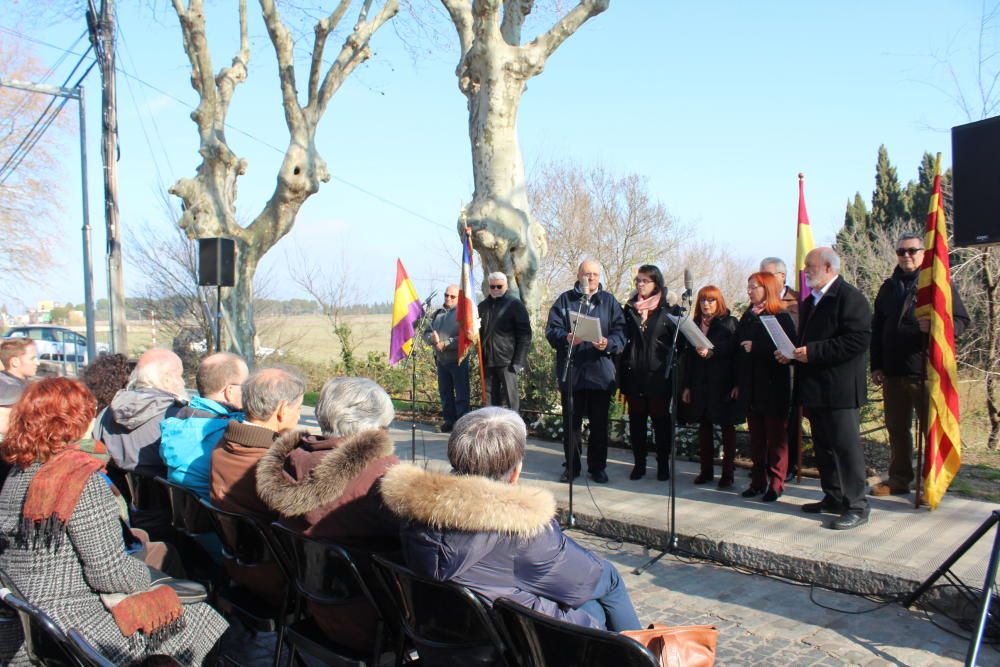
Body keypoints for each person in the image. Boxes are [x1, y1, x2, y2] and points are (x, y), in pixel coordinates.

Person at [0, 378, 227, 665]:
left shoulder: (19, 473)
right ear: (79, 421)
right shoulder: (78, 480)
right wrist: (154, 581)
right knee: (204, 620)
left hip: (31, 621)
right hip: (75, 627)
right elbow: (107, 572)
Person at [381, 407, 642, 632]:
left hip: (450, 638)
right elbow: (590, 579)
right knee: (606, 584)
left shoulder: (410, 511)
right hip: (511, 643)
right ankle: (643, 655)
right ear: (516, 472)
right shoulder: (522, 532)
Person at [256, 376, 400, 653]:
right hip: (373, 619)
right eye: (385, 428)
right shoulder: (382, 477)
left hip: (313, 605)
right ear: (372, 429)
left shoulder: (294, 458)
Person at [776, 247, 872, 530]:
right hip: (815, 388)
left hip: (841, 389)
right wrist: (792, 353)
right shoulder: (811, 301)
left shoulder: (849, 297)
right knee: (824, 448)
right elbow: (806, 341)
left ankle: (857, 505)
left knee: (846, 449)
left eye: (810, 267)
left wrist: (813, 352)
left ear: (829, 268)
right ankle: (833, 496)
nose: (805, 272)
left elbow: (857, 341)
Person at [870, 232, 970, 497]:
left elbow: (960, 321)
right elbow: (877, 328)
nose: (906, 256)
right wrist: (876, 365)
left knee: (931, 431)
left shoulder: (937, 285)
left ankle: (933, 484)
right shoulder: (888, 287)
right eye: (901, 252)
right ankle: (899, 479)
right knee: (897, 429)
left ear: (924, 253)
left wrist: (936, 325)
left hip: (926, 372)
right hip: (893, 372)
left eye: (912, 250)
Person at [211, 367, 303, 607]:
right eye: (299, 408)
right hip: (275, 578)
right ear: (282, 410)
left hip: (235, 564)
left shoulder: (223, 445)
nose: (300, 417)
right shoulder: (276, 464)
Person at [545, 260, 626, 484]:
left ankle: (597, 467)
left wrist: (608, 343)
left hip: (600, 372)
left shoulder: (609, 301)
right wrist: (566, 337)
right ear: (578, 275)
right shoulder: (565, 300)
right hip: (573, 370)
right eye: (586, 274)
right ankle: (572, 467)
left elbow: (621, 332)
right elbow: (551, 329)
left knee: (599, 424)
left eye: (595, 274)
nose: (590, 278)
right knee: (572, 423)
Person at [736, 272, 797, 502]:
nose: (749, 291)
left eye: (754, 287)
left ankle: (777, 483)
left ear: (767, 289)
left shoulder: (780, 316)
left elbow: (788, 351)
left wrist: (757, 347)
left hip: (773, 386)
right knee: (757, 439)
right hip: (751, 386)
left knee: (776, 439)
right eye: (748, 287)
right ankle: (757, 481)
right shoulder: (748, 316)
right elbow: (738, 346)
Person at [160, 352, 248, 498]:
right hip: (218, 516)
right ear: (230, 391)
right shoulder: (229, 435)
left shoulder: (178, 421)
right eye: (246, 386)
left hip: (191, 517)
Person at [619, 264, 678, 481]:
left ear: (656, 283)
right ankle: (639, 464)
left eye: (645, 280)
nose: (640, 284)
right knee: (637, 422)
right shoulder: (629, 309)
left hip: (658, 376)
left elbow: (677, 343)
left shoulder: (668, 311)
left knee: (661, 423)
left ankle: (663, 464)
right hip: (634, 374)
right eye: (638, 280)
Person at [679, 285, 742, 488]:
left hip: (722, 384)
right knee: (703, 428)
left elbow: (735, 353)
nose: (707, 304)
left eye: (711, 300)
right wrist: (687, 386)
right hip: (700, 384)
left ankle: (727, 474)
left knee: (727, 429)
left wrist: (736, 383)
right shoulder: (695, 323)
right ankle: (705, 471)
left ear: (719, 302)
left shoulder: (729, 323)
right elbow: (689, 358)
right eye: (703, 300)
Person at [93, 348, 187, 477]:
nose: (183, 382)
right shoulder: (177, 417)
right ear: (167, 379)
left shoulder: (106, 413)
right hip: (163, 494)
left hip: (118, 493)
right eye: (180, 375)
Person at [761, 256, 803, 482]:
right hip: (766, 369)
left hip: (792, 368)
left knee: (789, 419)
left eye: (768, 275)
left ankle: (790, 466)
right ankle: (769, 464)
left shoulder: (796, 300)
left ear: (782, 276)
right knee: (768, 421)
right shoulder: (758, 301)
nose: (763, 279)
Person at [478, 272, 532, 412]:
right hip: (488, 360)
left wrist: (518, 361)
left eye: (499, 286)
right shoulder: (482, 306)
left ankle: (515, 431)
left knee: (511, 400)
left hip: (508, 361)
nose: (495, 289)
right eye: (492, 286)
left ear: (506, 286)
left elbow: (525, 335)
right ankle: (491, 429)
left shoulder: (515, 305)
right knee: (489, 400)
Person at [422, 284, 470, 432]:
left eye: (452, 296)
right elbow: (426, 333)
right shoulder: (437, 314)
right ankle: (449, 421)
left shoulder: (463, 315)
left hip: (458, 360)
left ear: (459, 298)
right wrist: (434, 340)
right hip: (442, 361)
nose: (448, 298)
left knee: (461, 393)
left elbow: (466, 337)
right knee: (445, 392)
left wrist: (446, 344)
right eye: (446, 295)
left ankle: (462, 423)